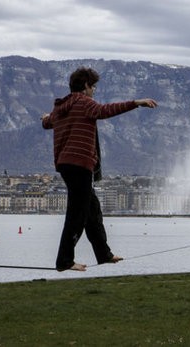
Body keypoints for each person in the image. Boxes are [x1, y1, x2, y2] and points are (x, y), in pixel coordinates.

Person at [41, 67, 157, 272]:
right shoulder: (84, 103)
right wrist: (136, 103)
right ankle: (64, 261)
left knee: (92, 210)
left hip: (65, 165)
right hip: (80, 164)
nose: (94, 91)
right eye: (93, 87)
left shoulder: (61, 108)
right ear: (85, 86)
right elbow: (105, 111)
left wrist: (45, 118)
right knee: (77, 215)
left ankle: (104, 254)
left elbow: (47, 123)